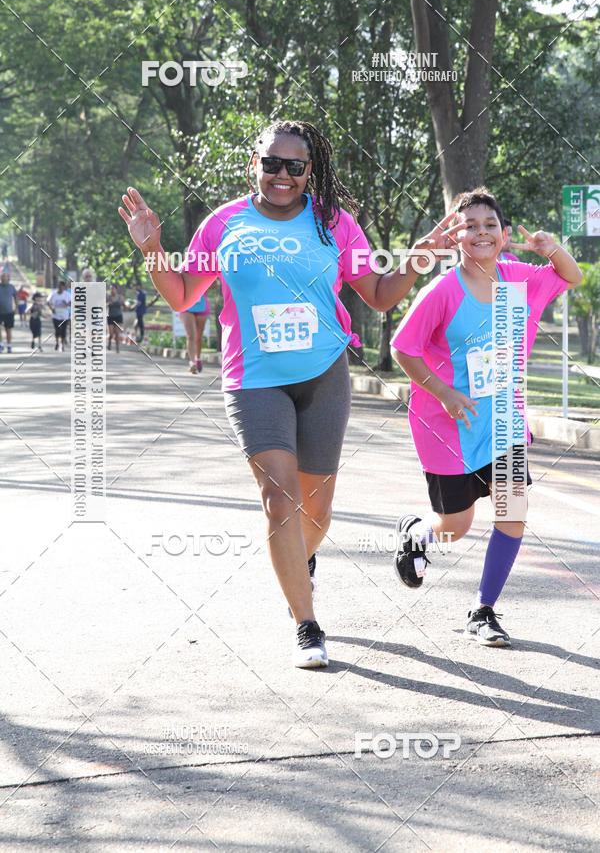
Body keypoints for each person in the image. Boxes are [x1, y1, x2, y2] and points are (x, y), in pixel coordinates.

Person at [119, 119, 463, 669]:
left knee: (317, 509)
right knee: (280, 499)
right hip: (254, 380)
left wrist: (418, 257)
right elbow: (183, 295)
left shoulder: (334, 223)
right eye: (270, 164)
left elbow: (375, 296)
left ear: (310, 171)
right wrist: (154, 248)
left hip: (323, 374)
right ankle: (306, 624)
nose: (281, 175)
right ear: (253, 164)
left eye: (294, 166)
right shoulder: (224, 223)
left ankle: (298, 563)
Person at [390, 187, 582, 647]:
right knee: (455, 528)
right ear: (456, 236)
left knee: (513, 510)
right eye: (469, 225)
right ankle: (417, 534)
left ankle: (484, 610)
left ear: (504, 234)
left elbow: (570, 275)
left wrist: (550, 247)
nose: (480, 232)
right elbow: (402, 347)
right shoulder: (442, 290)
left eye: (489, 225)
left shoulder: (521, 278)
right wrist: (445, 392)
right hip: (446, 425)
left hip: (504, 420)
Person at [180, 294, 210, 373]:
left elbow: (214, 284)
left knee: (199, 336)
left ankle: (198, 358)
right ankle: (192, 363)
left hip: (201, 305)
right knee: (191, 336)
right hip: (186, 305)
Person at [47, 280, 71, 352]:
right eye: (59, 286)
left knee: (63, 330)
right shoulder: (53, 294)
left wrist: (66, 304)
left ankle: (62, 345)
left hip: (64, 315)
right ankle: (57, 342)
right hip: (55, 315)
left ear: (64, 287)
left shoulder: (67, 295)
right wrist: (52, 309)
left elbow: (71, 303)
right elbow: (48, 302)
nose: (60, 288)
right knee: (57, 330)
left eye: (61, 286)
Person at [0, 271, 17, 352]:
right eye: (2, 277)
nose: (3, 278)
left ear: (8, 278)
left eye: (5, 277)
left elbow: (16, 296)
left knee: (8, 329)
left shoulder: (11, 287)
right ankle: (1, 344)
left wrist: (16, 307)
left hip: (9, 312)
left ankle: (9, 345)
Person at [107, 284, 125, 352]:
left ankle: (117, 348)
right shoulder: (108, 297)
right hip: (110, 317)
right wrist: (107, 304)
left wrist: (131, 307)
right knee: (111, 334)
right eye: (111, 289)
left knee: (117, 333)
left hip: (118, 317)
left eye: (113, 289)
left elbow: (124, 305)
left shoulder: (121, 297)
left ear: (116, 289)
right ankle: (109, 343)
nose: (112, 290)